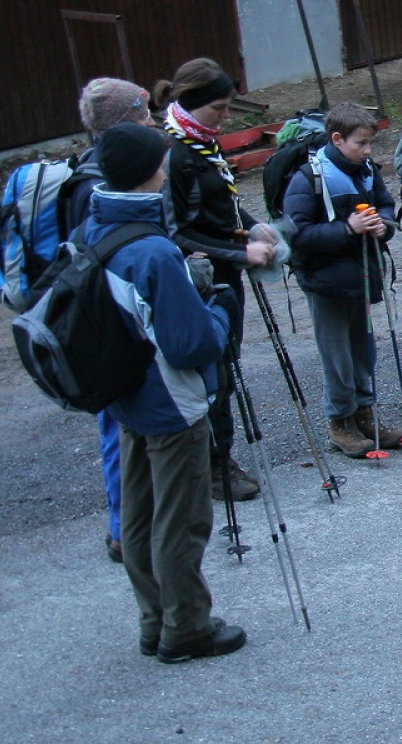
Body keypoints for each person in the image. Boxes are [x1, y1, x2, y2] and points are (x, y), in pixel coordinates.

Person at [85, 123, 245, 662]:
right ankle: (187, 628)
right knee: (182, 518)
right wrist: (220, 306)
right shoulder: (152, 253)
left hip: (125, 391)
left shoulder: (96, 227)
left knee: (140, 511)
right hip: (170, 400)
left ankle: (154, 619)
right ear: (151, 171)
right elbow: (191, 344)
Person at [153, 58, 274, 502]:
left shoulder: (202, 142)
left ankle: (219, 456)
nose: (226, 117)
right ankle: (211, 465)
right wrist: (239, 252)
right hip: (197, 279)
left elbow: (222, 201)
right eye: (219, 108)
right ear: (190, 103)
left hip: (225, 273)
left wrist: (251, 224)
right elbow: (174, 232)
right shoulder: (174, 152)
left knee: (226, 366)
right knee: (211, 370)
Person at [65, 77, 155, 564]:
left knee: (122, 426)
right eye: (142, 114)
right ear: (122, 122)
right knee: (117, 428)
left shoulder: (96, 170)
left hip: (112, 317)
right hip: (109, 324)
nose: (152, 121)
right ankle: (124, 527)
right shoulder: (97, 182)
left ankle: (133, 520)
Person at [282, 103, 402, 456]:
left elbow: (385, 206)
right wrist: (348, 229)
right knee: (337, 354)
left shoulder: (366, 171)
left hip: (363, 277)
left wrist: (382, 225)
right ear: (336, 139)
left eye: (370, 144)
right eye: (361, 144)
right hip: (326, 283)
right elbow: (298, 234)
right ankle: (340, 422)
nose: (368, 151)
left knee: (363, 350)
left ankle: (365, 414)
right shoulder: (307, 178)